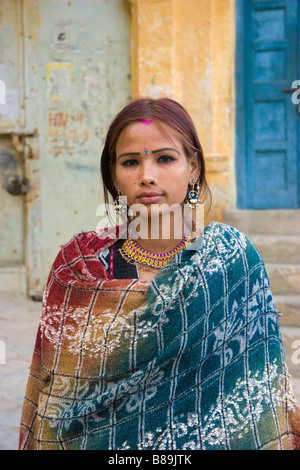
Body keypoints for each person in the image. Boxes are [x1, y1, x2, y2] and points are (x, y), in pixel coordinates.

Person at [19, 98, 300, 450]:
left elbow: (258, 389)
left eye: (165, 158)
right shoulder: (80, 268)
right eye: (131, 162)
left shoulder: (229, 262)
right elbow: (56, 396)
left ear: (193, 167)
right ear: (114, 174)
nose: (147, 175)